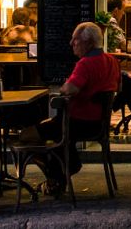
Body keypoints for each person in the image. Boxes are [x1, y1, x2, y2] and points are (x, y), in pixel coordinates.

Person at [30, 22, 120, 196]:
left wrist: (64, 86)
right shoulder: (112, 61)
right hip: (98, 124)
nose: (71, 43)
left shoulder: (85, 64)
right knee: (52, 131)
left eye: (75, 40)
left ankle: (57, 172)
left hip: (77, 122)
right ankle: (60, 173)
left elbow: (69, 89)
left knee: (26, 136)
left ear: (88, 43)